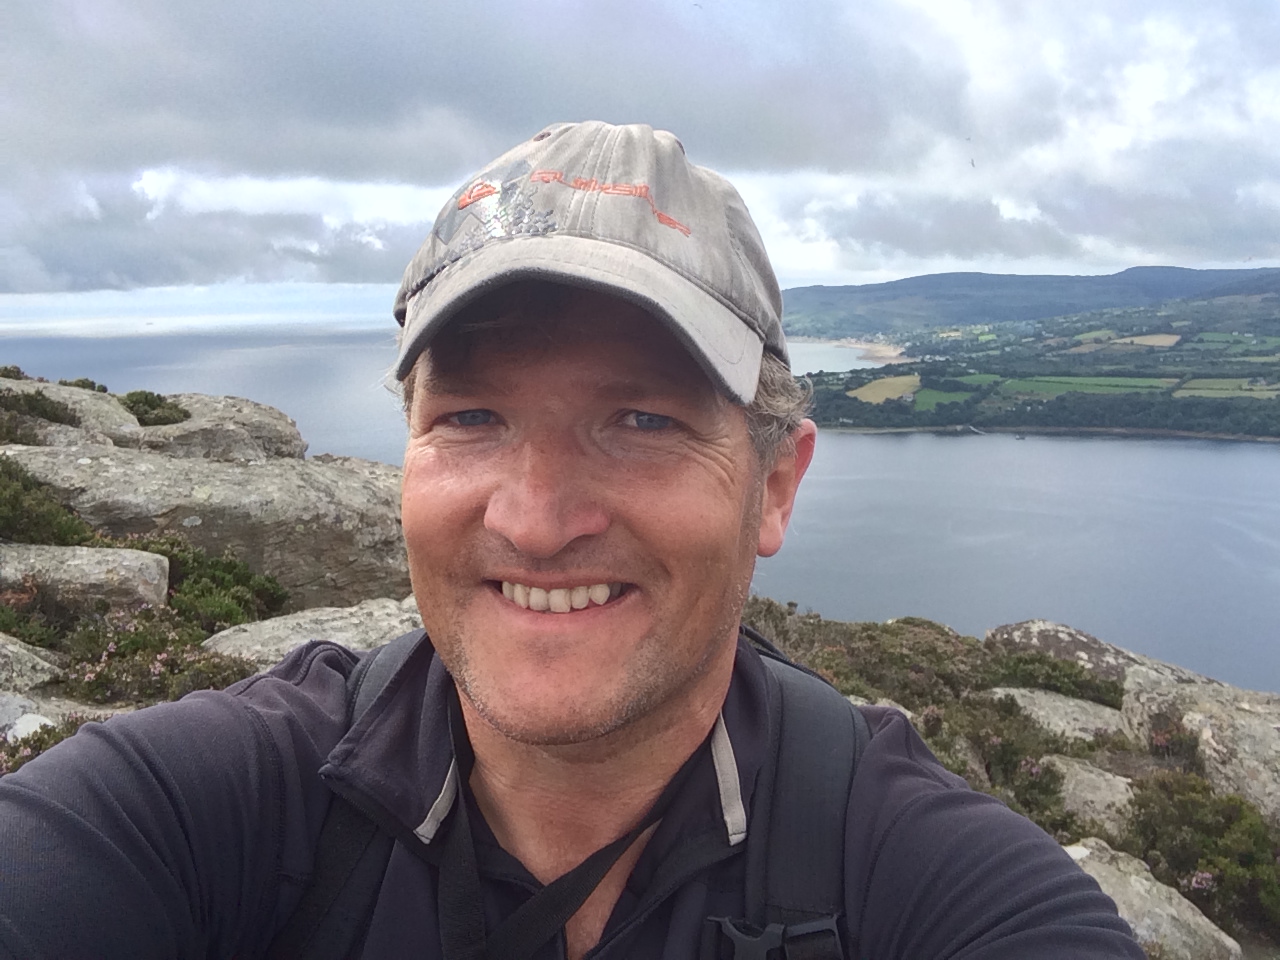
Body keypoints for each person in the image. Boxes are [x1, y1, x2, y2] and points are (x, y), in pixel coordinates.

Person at [0, 121, 1143, 959]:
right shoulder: (214, 806)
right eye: (471, 418)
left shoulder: (919, 883)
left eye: (641, 420)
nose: (535, 520)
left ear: (773, 487)